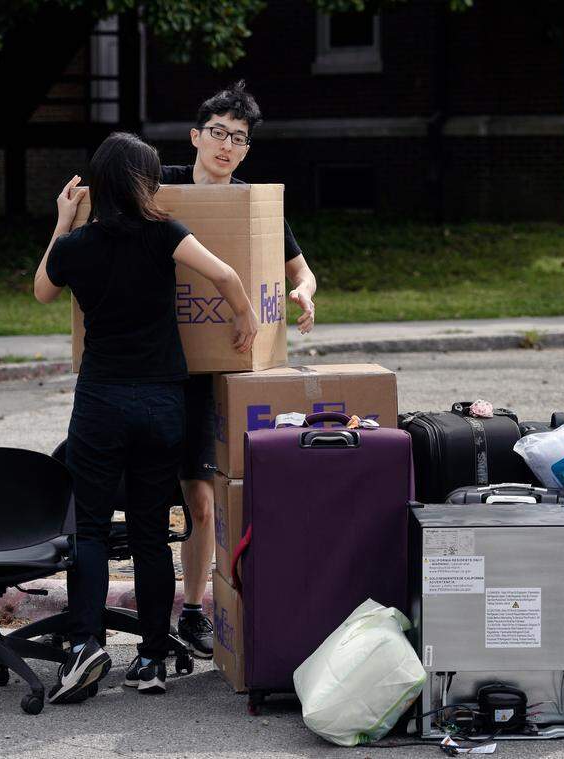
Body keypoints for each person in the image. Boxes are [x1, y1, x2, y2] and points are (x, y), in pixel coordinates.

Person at [33, 133, 259, 703]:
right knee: (152, 533)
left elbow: (41, 292)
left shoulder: (77, 246)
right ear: (144, 183)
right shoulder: (167, 235)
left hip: (101, 401)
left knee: (88, 530)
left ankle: (86, 645)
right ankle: (154, 656)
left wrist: (62, 220)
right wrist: (243, 321)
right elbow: (228, 276)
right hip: (162, 402)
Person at [159, 81, 318, 658]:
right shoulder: (162, 188)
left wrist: (303, 294)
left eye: (240, 139)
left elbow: (301, 271)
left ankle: (195, 609)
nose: (227, 146)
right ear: (197, 136)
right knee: (155, 495)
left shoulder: (254, 204)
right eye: (219, 134)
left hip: (220, 374)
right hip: (155, 366)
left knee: (202, 499)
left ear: (247, 151)